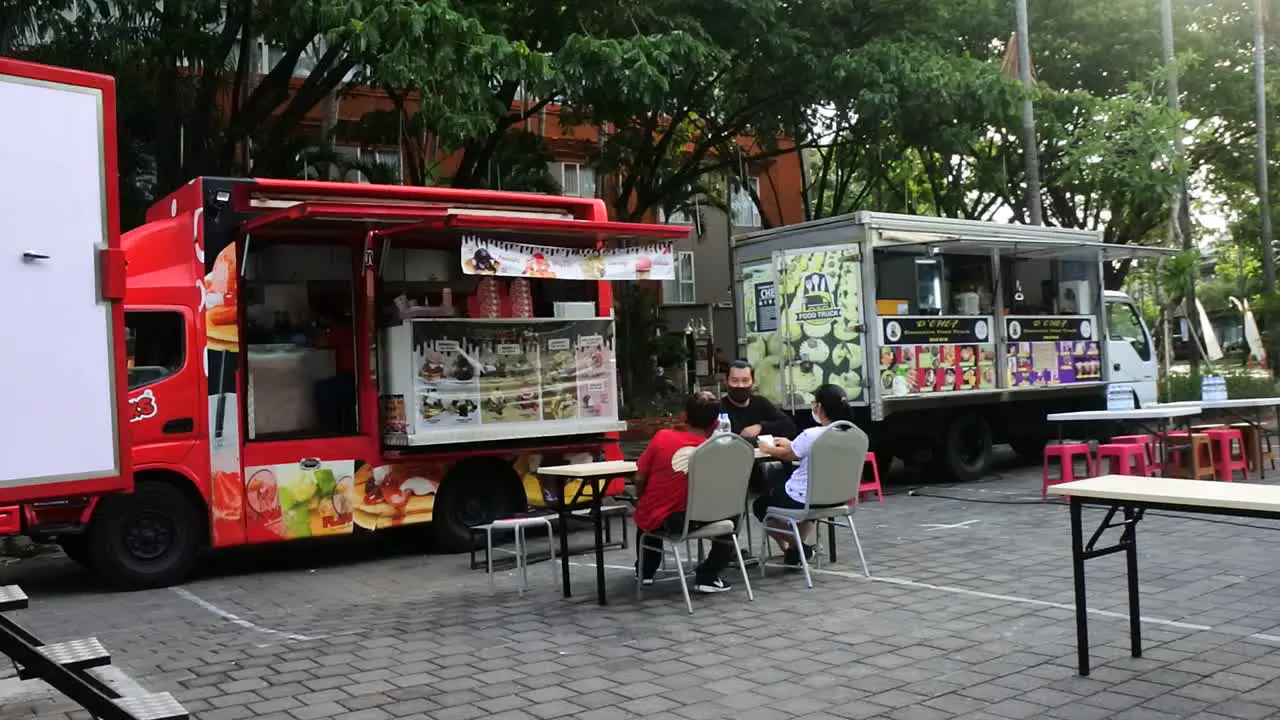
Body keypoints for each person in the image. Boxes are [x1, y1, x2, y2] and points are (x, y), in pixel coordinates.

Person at [633, 391, 740, 593]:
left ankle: (645, 571)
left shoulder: (662, 437)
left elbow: (639, 478)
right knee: (733, 514)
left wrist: (642, 497)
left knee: (648, 509)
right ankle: (709, 574)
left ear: (684, 416)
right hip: (697, 517)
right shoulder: (716, 450)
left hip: (662, 519)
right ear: (716, 424)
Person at [755, 383, 854, 565]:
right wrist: (790, 443)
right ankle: (795, 552)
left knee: (761, 505)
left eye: (814, 403)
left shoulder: (812, 435)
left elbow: (787, 454)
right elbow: (799, 448)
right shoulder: (852, 434)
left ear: (821, 407)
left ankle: (799, 547)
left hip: (805, 498)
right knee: (808, 509)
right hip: (837, 497)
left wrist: (767, 448)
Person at [721, 361, 797, 441]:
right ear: (726, 381)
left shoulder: (761, 402)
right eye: (735, 381)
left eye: (745, 380)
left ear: (753, 382)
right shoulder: (720, 407)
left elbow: (789, 427)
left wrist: (760, 427)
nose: (740, 385)